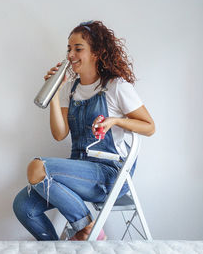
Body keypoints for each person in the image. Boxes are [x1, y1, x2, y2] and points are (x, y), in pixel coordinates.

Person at [12, 20, 155, 241]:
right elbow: (59, 134)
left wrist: (115, 121)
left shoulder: (116, 87)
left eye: (78, 49)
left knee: (36, 167)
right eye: (69, 49)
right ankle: (60, 247)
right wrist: (55, 92)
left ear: (96, 52)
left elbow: (149, 127)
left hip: (109, 174)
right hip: (79, 169)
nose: (71, 54)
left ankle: (86, 228)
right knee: (23, 205)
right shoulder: (71, 88)